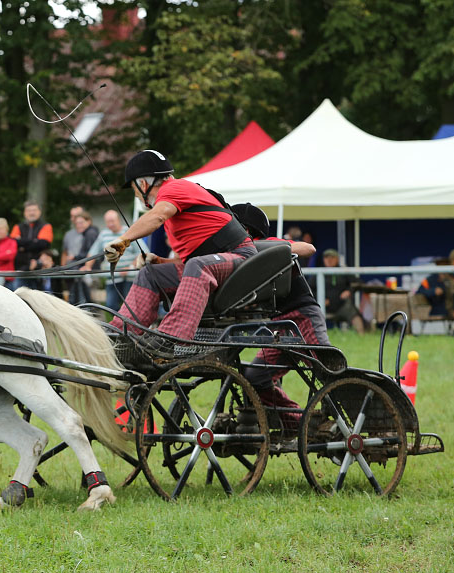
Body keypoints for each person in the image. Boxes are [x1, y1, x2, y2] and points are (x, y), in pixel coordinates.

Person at [104, 150, 256, 355]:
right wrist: (158, 261)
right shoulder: (177, 201)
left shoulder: (173, 188)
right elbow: (185, 263)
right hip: (216, 264)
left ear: (143, 184)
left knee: (198, 265)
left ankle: (169, 340)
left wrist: (123, 240)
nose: (136, 194)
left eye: (134, 188)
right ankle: (120, 335)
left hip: (242, 259)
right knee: (151, 273)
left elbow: (157, 216)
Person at [234, 203, 331, 432]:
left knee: (329, 370)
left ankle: (352, 419)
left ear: (245, 231)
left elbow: (308, 248)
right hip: (279, 328)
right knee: (255, 377)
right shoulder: (238, 257)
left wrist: (256, 247)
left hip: (302, 317)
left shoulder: (268, 246)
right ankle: (302, 425)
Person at [83, 210, 140, 311]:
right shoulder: (104, 234)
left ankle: (130, 324)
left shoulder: (130, 232)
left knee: (131, 305)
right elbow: (93, 251)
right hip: (112, 276)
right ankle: (121, 323)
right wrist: (87, 266)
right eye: (108, 222)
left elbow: (141, 252)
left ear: (118, 220)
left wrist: (129, 267)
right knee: (110, 304)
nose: (110, 224)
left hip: (130, 277)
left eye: (112, 221)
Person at [10, 200, 53, 289]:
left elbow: (44, 244)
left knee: (41, 298)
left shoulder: (46, 226)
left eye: (34, 210)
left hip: (40, 268)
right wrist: (34, 241)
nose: (31, 213)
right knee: (19, 297)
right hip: (21, 268)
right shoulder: (18, 227)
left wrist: (23, 244)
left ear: (39, 212)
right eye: (29, 210)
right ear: (25, 213)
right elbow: (13, 243)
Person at [320, 248, 365, 334]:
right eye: (326, 258)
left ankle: (362, 337)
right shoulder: (318, 273)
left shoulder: (343, 271)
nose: (329, 260)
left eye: (331, 257)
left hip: (342, 305)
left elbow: (358, 283)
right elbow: (310, 289)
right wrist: (321, 299)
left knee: (356, 317)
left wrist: (349, 291)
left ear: (337, 259)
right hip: (324, 307)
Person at [67, 210, 99, 305]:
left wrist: (75, 257)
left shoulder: (90, 234)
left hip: (90, 271)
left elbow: (91, 254)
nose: (78, 225)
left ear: (88, 221)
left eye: (81, 223)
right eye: (77, 223)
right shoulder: (89, 233)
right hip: (88, 271)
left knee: (90, 303)